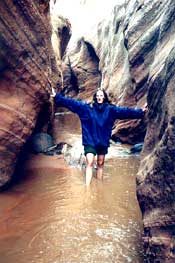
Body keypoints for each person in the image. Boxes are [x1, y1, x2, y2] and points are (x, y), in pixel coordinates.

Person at [52, 88, 146, 186]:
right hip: (90, 140)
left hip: (102, 140)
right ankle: (87, 188)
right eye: (98, 96)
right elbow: (72, 103)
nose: (99, 97)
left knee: (100, 164)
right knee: (90, 162)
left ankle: (99, 184)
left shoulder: (110, 110)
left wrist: (141, 112)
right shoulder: (87, 108)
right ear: (95, 97)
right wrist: (57, 97)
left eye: (101, 96)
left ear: (104, 97)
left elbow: (125, 112)